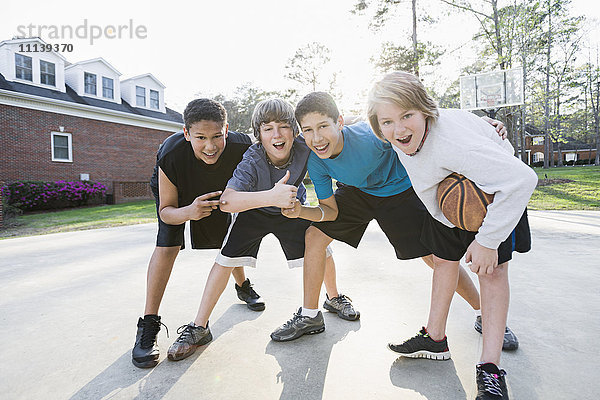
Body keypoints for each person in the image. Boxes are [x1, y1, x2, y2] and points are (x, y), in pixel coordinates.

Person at [271, 92, 517, 348]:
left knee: (435, 258)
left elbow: (417, 123)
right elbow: (329, 211)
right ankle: (310, 315)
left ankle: (483, 312)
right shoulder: (315, 160)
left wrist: (478, 123)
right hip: (356, 192)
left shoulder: (371, 138)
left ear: (339, 122)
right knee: (314, 236)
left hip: (399, 191)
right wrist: (300, 211)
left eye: (323, 126)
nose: (317, 137)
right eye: (308, 130)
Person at [367, 71, 538, 400]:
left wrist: (487, 241)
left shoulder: (452, 143)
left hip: (495, 197)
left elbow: (521, 180)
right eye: (387, 121)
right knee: (443, 262)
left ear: (425, 111)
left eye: (407, 116)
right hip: (447, 199)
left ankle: (489, 368)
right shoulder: (401, 134)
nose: (398, 129)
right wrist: (486, 122)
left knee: (492, 272)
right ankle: (434, 337)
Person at [166, 98, 358, 360]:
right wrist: (270, 197)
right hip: (254, 210)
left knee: (320, 246)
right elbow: (227, 202)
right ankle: (199, 326)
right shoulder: (252, 158)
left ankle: (333, 297)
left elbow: (341, 128)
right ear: (258, 136)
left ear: (295, 130)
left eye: (283, 126)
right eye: (267, 128)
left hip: (291, 207)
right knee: (224, 259)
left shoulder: (305, 145)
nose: (276, 134)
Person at [132, 98, 264, 368]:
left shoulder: (243, 147)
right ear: (186, 134)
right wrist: (188, 212)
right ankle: (148, 325)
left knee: (228, 237)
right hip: (179, 188)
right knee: (167, 245)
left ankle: (242, 285)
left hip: (219, 184)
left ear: (226, 129)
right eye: (201, 137)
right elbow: (166, 211)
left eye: (217, 136)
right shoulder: (171, 155)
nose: (210, 145)